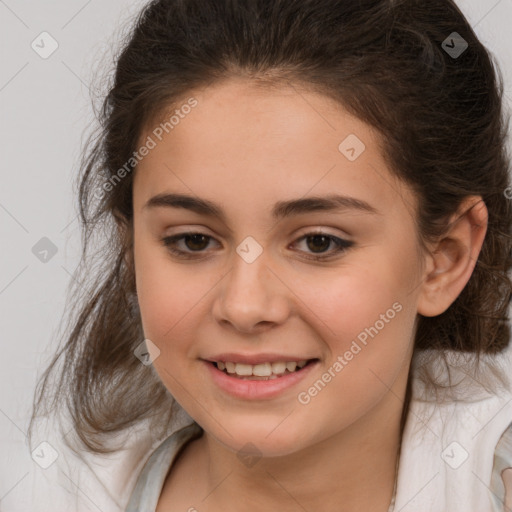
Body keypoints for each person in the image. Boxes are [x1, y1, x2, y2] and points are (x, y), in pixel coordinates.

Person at [23, 0, 512, 511]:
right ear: (131, 252)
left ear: (445, 258)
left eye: (319, 242)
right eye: (193, 240)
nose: (245, 306)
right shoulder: (51, 492)